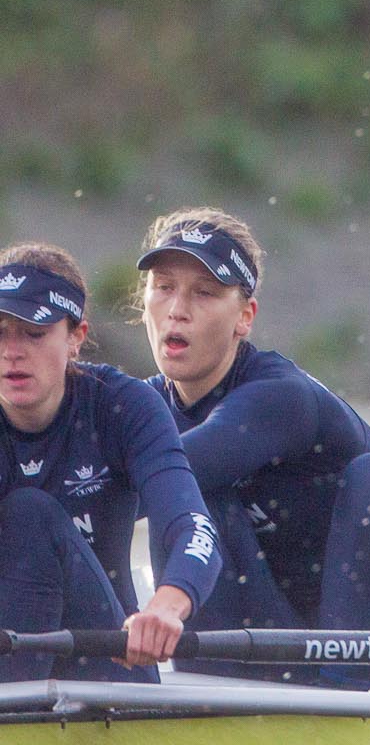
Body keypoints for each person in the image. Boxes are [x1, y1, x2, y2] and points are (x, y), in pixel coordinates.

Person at [135, 208, 370, 689]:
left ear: (245, 317)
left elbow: (164, 474)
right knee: (186, 498)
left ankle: (343, 701)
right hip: (277, 653)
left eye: (203, 292)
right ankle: (205, 697)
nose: (177, 309)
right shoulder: (140, 407)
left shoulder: (280, 395)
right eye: (164, 287)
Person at [0, 242, 219, 684]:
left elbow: (195, 528)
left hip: (107, 670)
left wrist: (165, 608)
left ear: (76, 337)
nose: (12, 352)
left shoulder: (122, 406)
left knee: (30, 512)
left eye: (34, 333)